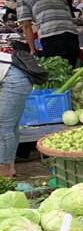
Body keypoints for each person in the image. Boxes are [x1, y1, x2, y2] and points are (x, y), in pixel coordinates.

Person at [17, 0, 80, 66]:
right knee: (70, 71)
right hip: (72, 37)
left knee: (56, 74)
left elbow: (26, 25)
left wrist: (32, 49)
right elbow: (69, 16)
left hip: (52, 39)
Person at [0, 37, 34, 178]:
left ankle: (4, 170)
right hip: (19, 76)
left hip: (15, 79)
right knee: (11, 126)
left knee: (3, 127)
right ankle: (10, 167)